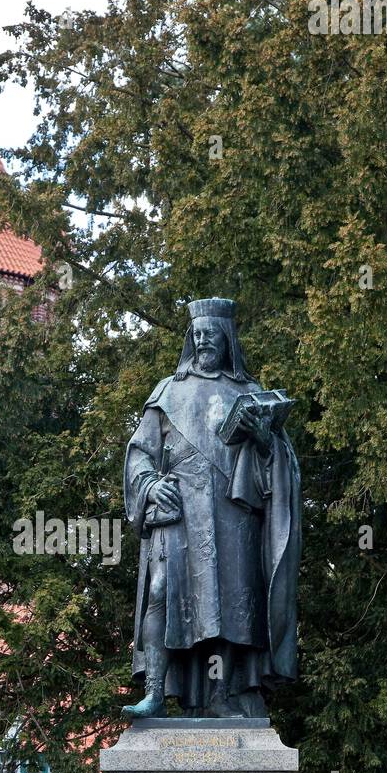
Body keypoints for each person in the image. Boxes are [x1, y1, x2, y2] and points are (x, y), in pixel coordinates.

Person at [122, 296, 301, 718]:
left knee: (225, 605)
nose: (203, 341)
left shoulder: (250, 393)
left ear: (226, 340)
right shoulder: (167, 391)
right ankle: (154, 694)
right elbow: (139, 453)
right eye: (197, 334)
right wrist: (149, 486)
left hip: (232, 514)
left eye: (211, 335)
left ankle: (221, 696)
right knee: (161, 592)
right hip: (177, 509)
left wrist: (263, 441)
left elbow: (281, 467)